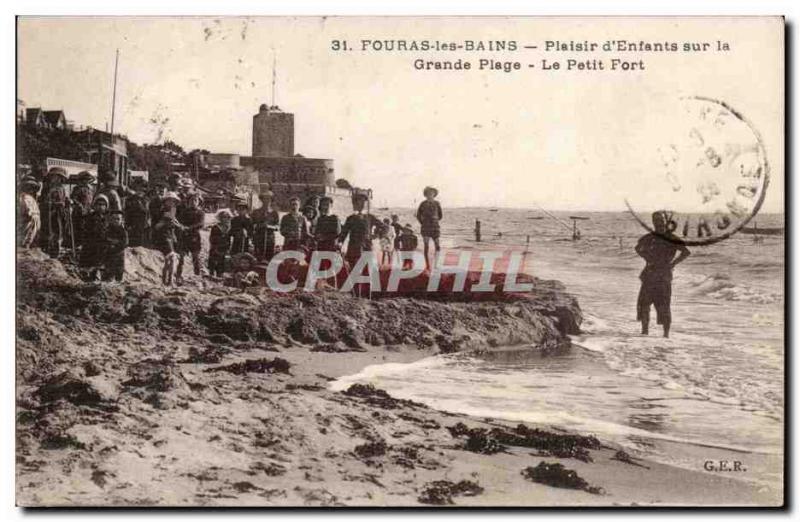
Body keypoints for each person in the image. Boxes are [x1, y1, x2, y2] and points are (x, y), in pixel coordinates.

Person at [635, 211, 691, 338]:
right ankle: (644, 332)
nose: (658, 223)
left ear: (665, 221)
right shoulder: (650, 237)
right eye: (655, 220)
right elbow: (638, 248)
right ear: (653, 222)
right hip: (649, 273)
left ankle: (666, 336)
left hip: (664, 275)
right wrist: (647, 257)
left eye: (660, 220)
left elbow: (686, 252)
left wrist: (673, 264)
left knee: (664, 305)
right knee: (644, 304)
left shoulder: (672, 238)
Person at [152, 192, 185, 286]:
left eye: (173, 201)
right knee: (172, 257)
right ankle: (170, 281)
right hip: (163, 236)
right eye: (169, 200)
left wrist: (180, 226)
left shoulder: (173, 210)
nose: (171, 202)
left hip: (171, 236)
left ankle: (165, 281)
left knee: (168, 261)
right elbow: (156, 226)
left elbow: (175, 222)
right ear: (165, 201)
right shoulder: (161, 211)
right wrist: (165, 221)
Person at [339, 191, 378, 269]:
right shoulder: (350, 218)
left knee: (368, 271)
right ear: (355, 204)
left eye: (364, 202)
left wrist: (376, 235)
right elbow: (344, 233)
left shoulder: (370, 217)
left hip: (367, 247)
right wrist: (340, 243)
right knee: (354, 271)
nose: (362, 204)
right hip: (354, 249)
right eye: (359, 201)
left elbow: (384, 227)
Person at [40, 167, 70, 258]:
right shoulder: (47, 188)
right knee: (49, 233)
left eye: (57, 177)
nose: (55, 179)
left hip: (59, 214)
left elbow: (64, 200)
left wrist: (66, 202)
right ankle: (48, 252)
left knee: (58, 233)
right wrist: (55, 204)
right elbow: (43, 202)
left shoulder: (62, 189)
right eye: (53, 177)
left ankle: (55, 253)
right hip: (49, 214)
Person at [176, 192, 205, 283]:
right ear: (188, 201)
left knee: (195, 257)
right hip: (184, 236)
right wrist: (181, 227)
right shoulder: (184, 212)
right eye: (191, 200)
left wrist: (189, 228)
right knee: (181, 257)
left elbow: (201, 224)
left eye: (195, 200)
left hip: (194, 236)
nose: (193, 202)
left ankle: (197, 275)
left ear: (198, 202)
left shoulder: (200, 212)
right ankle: (178, 275)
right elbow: (179, 221)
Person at [81, 194, 110, 280]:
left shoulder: (108, 218)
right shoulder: (90, 217)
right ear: (94, 205)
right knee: (90, 263)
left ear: (106, 207)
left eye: (103, 205)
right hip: (91, 244)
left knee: (102, 263)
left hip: (103, 245)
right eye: (99, 204)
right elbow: (85, 230)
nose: (101, 207)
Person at [416, 186, 443, 270]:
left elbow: (441, 215)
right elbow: (418, 215)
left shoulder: (437, 203)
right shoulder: (423, 204)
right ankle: (427, 265)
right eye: (428, 193)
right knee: (426, 246)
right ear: (426, 194)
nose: (430, 194)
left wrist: (434, 220)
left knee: (437, 246)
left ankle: (436, 264)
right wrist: (423, 223)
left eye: (431, 193)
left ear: (434, 194)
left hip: (435, 227)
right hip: (425, 227)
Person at [251, 191, 280, 262]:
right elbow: (251, 225)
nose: (267, 201)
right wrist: (259, 226)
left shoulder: (274, 213)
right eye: (265, 199)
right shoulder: (256, 212)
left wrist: (270, 226)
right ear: (261, 200)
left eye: (269, 199)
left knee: (269, 258)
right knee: (258, 257)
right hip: (259, 238)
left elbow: (278, 227)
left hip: (270, 239)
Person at [70, 171, 95, 249]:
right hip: (79, 212)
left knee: (87, 228)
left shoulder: (90, 188)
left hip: (88, 211)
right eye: (85, 179)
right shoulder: (77, 188)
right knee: (79, 228)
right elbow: (73, 199)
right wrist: (79, 205)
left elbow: (92, 199)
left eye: (88, 180)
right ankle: (77, 245)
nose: (86, 181)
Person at [103, 210, 128, 282]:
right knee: (108, 272)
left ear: (121, 220)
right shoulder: (108, 230)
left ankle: (118, 281)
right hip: (109, 254)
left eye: (118, 219)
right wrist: (111, 243)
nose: (116, 221)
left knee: (119, 272)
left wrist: (116, 243)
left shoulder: (123, 231)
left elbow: (125, 243)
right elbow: (105, 239)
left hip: (119, 254)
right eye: (114, 219)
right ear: (110, 220)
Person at [208, 209, 233, 277]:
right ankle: (211, 274)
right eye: (223, 217)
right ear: (220, 218)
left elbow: (229, 239)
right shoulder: (215, 227)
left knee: (221, 262)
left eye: (226, 217)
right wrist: (214, 246)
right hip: (215, 246)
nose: (224, 219)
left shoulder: (229, 228)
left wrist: (228, 247)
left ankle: (220, 275)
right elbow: (211, 238)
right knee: (213, 261)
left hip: (224, 247)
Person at [18, 176, 41, 249]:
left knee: (32, 236)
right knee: (27, 236)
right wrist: (30, 213)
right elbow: (27, 209)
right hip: (29, 220)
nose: (31, 189)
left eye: (32, 187)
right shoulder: (24, 197)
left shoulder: (31, 198)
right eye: (29, 187)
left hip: (34, 220)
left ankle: (27, 247)